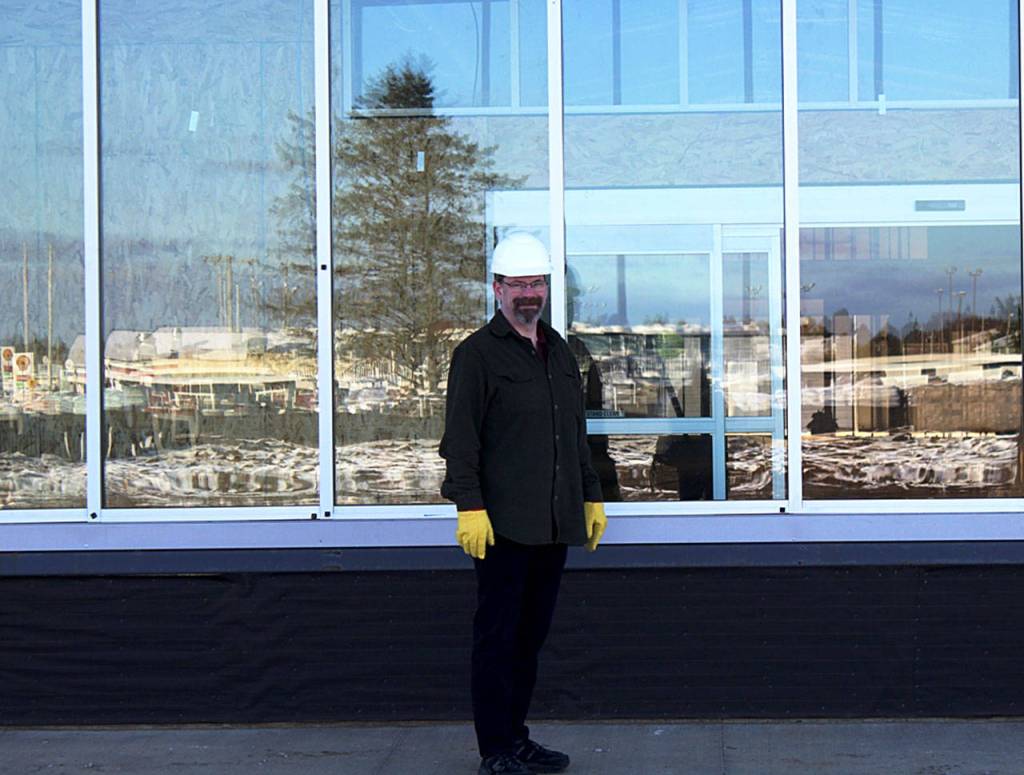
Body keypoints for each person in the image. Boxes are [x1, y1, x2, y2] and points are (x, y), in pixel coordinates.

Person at [440, 232, 608, 775]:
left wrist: (590, 496)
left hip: (554, 524)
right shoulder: (477, 356)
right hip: (503, 526)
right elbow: (460, 441)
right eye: (517, 285)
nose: (528, 293)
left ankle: (517, 737)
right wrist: (469, 504)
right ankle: (495, 749)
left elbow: (574, 434)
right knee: (497, 640)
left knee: (530, 639)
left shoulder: (558, 350)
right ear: (497, 289)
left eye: (536, 283)